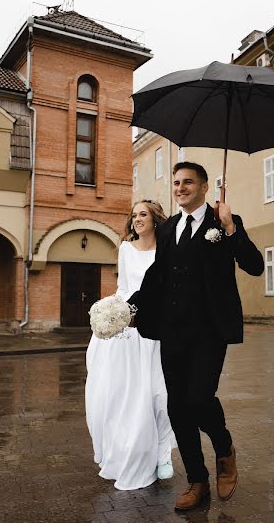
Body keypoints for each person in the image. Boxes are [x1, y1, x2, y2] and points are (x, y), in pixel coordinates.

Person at [130, 162, 264, 510]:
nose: (180, 187)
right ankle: (197, 481)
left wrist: (231, 228)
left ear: (205, 187)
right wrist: (130, 307)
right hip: (172, 330)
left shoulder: (223, 223)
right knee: (177, 407)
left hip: (209, 330)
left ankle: (224, 447)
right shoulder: (170, 227)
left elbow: (255, 265)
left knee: (199, 398)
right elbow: (158, 275)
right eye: (176, 182)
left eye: (188, 182)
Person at [85, 200, 174, 491]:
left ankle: (162, 453)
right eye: (134, 215)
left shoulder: (168, 248)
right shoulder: (125, 249)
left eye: (143, 214)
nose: (137, 219)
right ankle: (130, 451)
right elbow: (124, 287)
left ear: (155, 219)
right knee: (129, 395)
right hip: (130, 329)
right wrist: (116, 314)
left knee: (160, 395)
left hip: (159, 328)